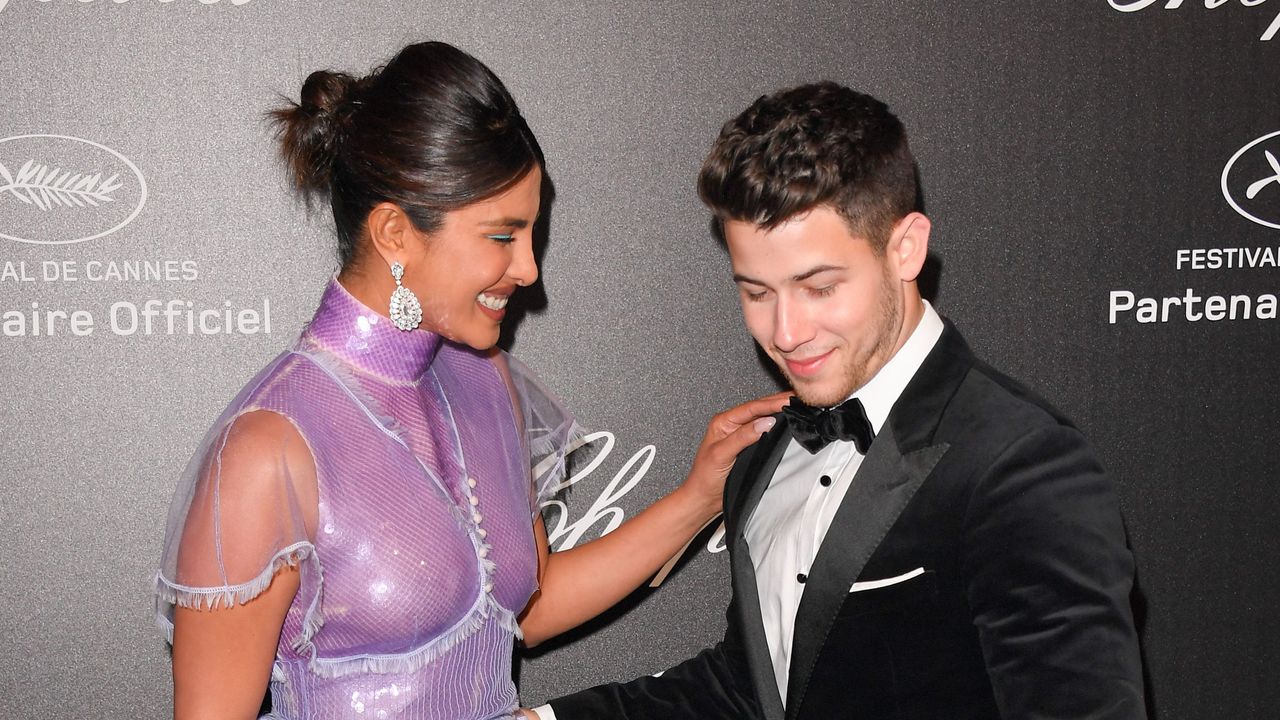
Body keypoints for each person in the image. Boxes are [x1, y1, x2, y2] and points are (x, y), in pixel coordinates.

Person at [153, 41, 786, 720]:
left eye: (532, 233)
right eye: (501, 236)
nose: (528, 270)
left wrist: (700, 496)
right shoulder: (269, 450)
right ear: (395, 233)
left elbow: (529, 606)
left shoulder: (483, 380)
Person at [535, 83, 1146, 719]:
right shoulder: (764, 456)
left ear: (905, 248)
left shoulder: (1021, 466)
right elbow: (751, 690)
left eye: (819, 288)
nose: (786, 333)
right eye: (757, 293)